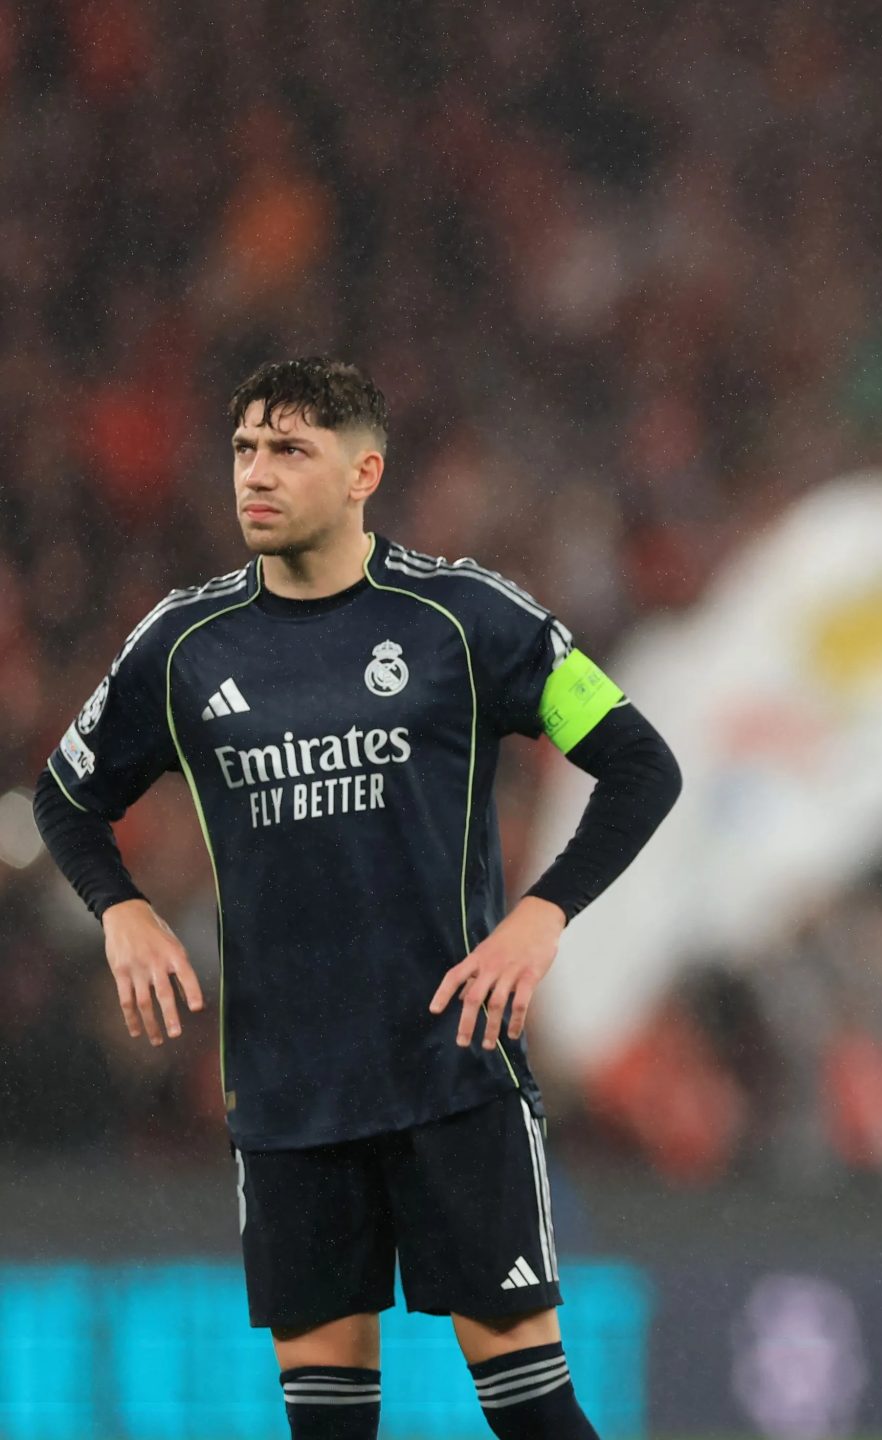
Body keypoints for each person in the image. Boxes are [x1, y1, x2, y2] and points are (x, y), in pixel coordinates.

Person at [33, 358, 682, 1440]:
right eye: (245, 448)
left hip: (453, 1078)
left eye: (290, 450)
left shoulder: (466, 617)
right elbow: (64, 798)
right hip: (289, 1100)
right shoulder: (183, 644)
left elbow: (640, 765)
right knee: (329, 1429)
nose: (256, 473)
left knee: (533, 1412)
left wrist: (543, 913)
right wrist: (120, 907)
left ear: (362, 473)